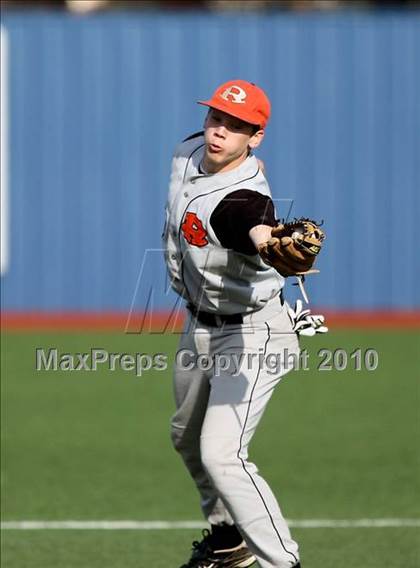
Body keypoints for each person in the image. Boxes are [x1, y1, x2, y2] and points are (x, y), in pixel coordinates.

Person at [162, 79, 303, 568]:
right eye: (216, 117)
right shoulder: (188, 149)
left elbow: (252, 220)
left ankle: (282, 562)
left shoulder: (245, 196)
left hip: (253, 332)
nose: (220, 130)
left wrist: (267, 240)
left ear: (255, 136)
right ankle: (228, 541)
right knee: (187, 435)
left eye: (236, 125)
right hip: (199, 323)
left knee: (222, 452)